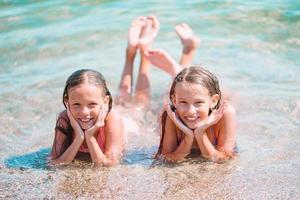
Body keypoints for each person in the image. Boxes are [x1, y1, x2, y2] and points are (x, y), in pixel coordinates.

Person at [145, 49, 237, 163]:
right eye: (183, 103)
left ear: (213, 101)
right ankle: (177, 68)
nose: (190, 111)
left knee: (190, 90)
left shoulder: (225, 114)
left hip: (205, 99)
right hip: (177, 100)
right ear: (174, 101)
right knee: (143, 102)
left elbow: (223, 159)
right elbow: (166, 158)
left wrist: (200, 133)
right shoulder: (171, 114)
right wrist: (188, 137)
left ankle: (178, 67)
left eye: (198, 103)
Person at [50, 69, 125, 166]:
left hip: (130, 125)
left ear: (105, 101)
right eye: (77, 104)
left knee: (135, 100)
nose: (84, 112)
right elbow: (54, 163)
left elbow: (109, 164)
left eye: (92, 104)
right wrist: (78, 139)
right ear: (66, 102)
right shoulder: (64, 118)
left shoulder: (113, 119)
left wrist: (90, 137)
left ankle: (133, 60)